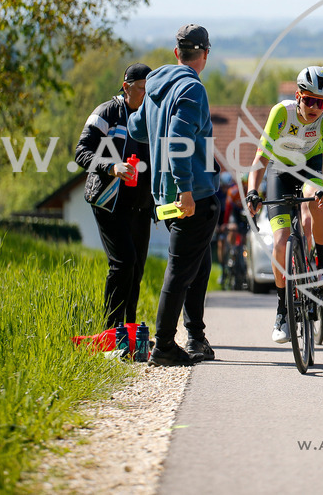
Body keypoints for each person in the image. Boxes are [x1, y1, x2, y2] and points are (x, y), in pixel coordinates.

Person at [128, 24, 220, 367]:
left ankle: (195, 336)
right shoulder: (192, 88)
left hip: (162, 195)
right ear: (205, 54)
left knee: (199, 261)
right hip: (191, 195)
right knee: (181, 269)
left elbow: (137, 128)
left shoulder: (155, 84)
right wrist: (186, 190)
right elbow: (180, 141)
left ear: (176, 52)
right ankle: (164, 345)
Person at [246, 66, 323, 345]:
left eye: (321, 102)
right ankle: (282, 311)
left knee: (316, 197)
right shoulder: (281, 113)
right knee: (280, 242)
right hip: (281, 171)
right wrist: (252, 191)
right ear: (298, 96)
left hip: (311, 167)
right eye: (309, 100)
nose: (315, 108)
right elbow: (261, 159)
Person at [75, 62, 154, 329]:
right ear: (125, 87)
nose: (145, 95)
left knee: (137, 269)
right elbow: (81, 152)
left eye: (149, 90)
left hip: (140, 205)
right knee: (123, 263)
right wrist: (111, 167)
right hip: (109, 202)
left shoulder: (151, 117)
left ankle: (128, 331)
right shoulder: (106, 113)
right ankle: (111, 329)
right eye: (141, 88)